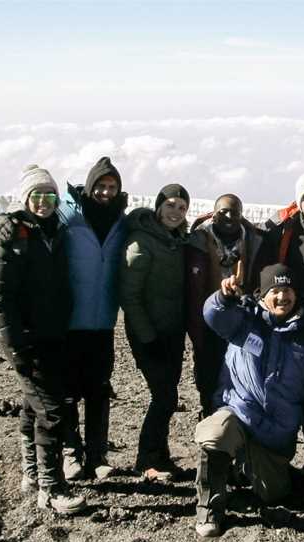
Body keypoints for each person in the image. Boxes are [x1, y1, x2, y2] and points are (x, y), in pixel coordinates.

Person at [194, 263, 304, 537]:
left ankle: (246, 469)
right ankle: (209, 509)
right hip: (237, 412)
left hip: (273, 438)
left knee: (274, 495)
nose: (282, 297)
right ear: (262, 295)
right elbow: (213, 315)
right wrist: (223, 297)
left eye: (287, 291)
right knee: (214, 434)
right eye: (275, 291)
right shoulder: (244, 320)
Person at [0, 164, 86, 515]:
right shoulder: (13, 232)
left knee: (34, 406)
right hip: (28, 338)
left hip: (53, 335)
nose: (44, 202)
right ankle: (51, 487)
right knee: (53, 413)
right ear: (25, 198)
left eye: (50, 196)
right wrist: (15, 346)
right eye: (37, 196)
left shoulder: (52, 230)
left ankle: (31, 473)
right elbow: (0, 298)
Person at [58, 156, 128, 480]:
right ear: (90, 186)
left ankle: (97, 455)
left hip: (103, 323)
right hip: (71, 321)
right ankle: (71, 454)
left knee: (99, 390)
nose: (106, 192)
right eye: (101, 185)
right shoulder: (69, 214)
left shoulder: (121, 221)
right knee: (69, 390)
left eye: (112, 186)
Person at [120, 184, 190, 481]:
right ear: (159, 206)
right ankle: (146, 459)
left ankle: (160, 458)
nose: (175, 212)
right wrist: (147, 336)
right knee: (163, 396)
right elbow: (130, 295)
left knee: (168, 396)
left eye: (181, 207)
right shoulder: (141, 242)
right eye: (171, 205)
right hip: (149, 334)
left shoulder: (177, 240)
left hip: (172, 333)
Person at [186, 193, 265, 417]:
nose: (230, 216)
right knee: (207, 373)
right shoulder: (197, 242)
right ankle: (209, 417)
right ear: (214, 213)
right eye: (223, 211)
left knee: (240, 372)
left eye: (235, 212)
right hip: (207, 321)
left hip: (241, 321)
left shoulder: (255, 241)